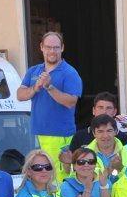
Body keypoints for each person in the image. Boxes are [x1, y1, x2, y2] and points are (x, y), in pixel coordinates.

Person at [16, 31, 82, 178]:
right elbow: (20, 95)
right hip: (37, 134)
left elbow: (71, 102)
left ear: (62, 48)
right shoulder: (34, 71)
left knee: (57, 179)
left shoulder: (69, 73)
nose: (52, 51)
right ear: (41, 47)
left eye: (56, 47)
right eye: (49, 47)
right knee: (40, 178)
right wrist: (35, 88)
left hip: (59, 136)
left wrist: (49, 87)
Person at [61, 92, 127, 174]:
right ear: (93, 110)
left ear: (115, 112)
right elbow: (71, 171)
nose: (104, 111)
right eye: (100, 107)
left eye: (108, 108)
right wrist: (66, 163)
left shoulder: (123, 138)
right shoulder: (79, 136)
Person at [81, 114, 125, 178]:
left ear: (116, 131)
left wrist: (115, 171)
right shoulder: (83, 155)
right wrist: (113, 170)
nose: (105, 136)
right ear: (94, 133)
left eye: (109, 131)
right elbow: (82, 180)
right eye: (100, 131)